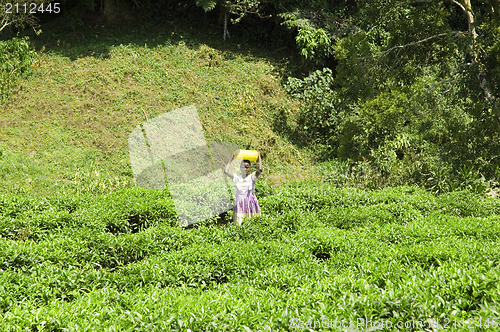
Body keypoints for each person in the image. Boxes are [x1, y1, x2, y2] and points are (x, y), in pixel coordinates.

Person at [224, 151, 263, 225]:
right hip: (240, 202)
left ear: (250, 168)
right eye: (243, 167)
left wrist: (259, 156)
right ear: (240, 168)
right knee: (239, 222)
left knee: (253, 222)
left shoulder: (252, 177)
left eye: (247, 167)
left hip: (250, 202)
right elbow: (226, 171)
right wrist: (231, 159)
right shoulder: (237, 178)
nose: (245, 169)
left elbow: (260, 169)